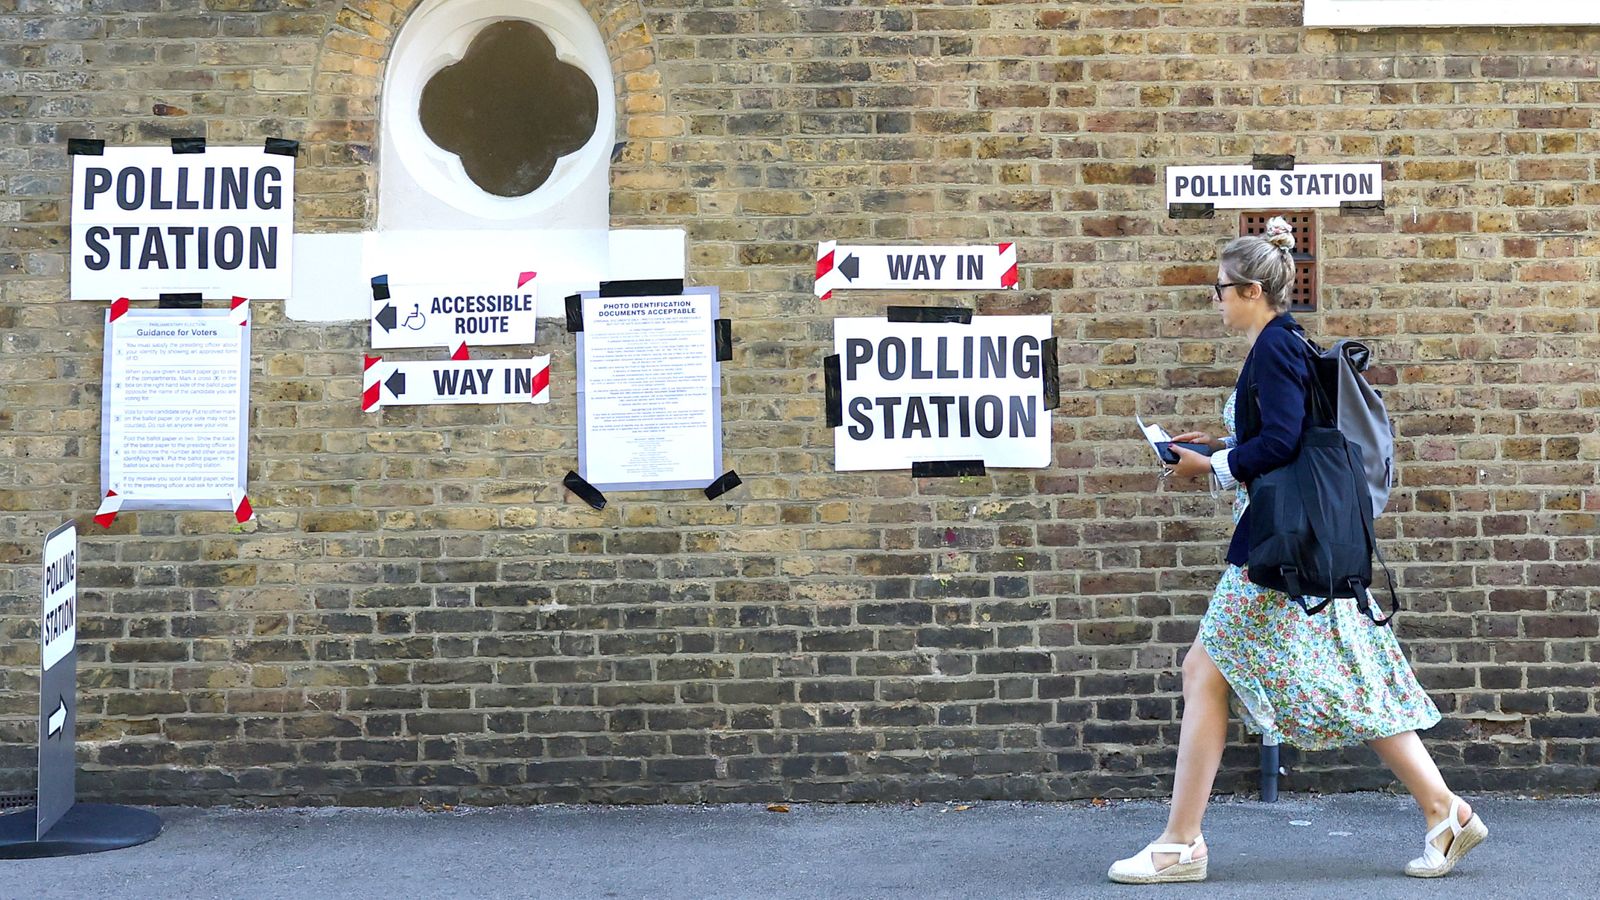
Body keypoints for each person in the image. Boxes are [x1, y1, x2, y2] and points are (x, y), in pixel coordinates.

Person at [1107, 218, 1488, 884]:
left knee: (1205, 671)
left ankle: (1180, 843)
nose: (1215, 300)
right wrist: (1216, 445)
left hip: (1273, 551)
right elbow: (1277, 434)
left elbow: (1282, 444)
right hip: (1292, 545)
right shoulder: (1278, 345)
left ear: (1252, 290)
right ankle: (1444, 812)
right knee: (1346, 678)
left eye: (1221, 289)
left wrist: (1214, 467)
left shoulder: (1275, 348)